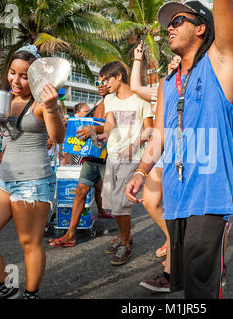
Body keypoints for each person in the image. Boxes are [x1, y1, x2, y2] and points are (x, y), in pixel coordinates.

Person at [125, 0, 233, 298]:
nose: (169, 29)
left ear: (201, 27)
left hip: (209, 195)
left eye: (178, 21)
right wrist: (140, 171)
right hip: (176, 197)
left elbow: (224, 11)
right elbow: (159, 135)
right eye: (168, 24)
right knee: (188, 283)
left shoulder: (220, 63)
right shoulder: (167, 82)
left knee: (201, 288)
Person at [0, 45, 65, 299]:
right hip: (4, 179)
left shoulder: (42, 102)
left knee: (29, 244)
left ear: (35, 77)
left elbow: (57, 136)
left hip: (33, 181)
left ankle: (31, 295)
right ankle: (7, 288)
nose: (16, 80)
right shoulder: (3, 98)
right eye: (13, 72)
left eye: (23, 75)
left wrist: (53, 107)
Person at [130, 42, 178, 292]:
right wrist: (138, 58)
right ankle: (172, 238)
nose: (173, 62)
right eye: (171, 60)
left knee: (179, 210)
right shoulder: (163, 86)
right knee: (150, 201)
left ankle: (173, 265)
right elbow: (136, 87)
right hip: (159, 148)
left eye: (177, 60)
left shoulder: (189, 84)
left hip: (183, 149)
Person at [97, 61, 154, 266]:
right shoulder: (110, 99)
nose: (104, 84)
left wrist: (134, 144)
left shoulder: (141, 100)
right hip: (112, 154)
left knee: (122, 203)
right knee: (113, 204)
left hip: (132, 157)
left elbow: (149, 128)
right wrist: (103, 134)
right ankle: (124, 237)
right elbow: (110, 123)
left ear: (118, 76)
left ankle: (126, 244)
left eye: (106, 79)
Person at [48, 76, 112, 248]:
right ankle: (70, 234)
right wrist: (70, 124)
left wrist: (92, 129)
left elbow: (117, 125)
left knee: (116, 198)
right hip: (92, 156)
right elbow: (88, 127)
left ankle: (126, 239)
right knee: (80, 191)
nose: (99, 86)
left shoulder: (115, 102)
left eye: (102, 83)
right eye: (96, 83)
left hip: (108, 156)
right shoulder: (98, 105)